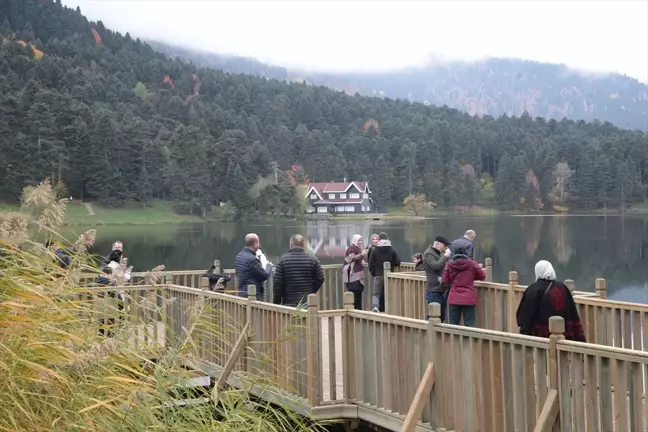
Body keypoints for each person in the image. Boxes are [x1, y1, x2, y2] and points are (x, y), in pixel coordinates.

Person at [516, 260, 586, 341]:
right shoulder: (563, 288)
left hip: (541, 340)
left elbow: (525, 317)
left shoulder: (534, 289)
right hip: (565, 338)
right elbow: (572, 313)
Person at [273, 234, 325, 307]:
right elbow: (321, 277)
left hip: (288, 303)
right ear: (303, 245)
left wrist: (277, 302)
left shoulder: (283, 260)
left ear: (291, 245)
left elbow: (277, 283)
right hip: (307, 303)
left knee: (289, 318)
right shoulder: (313, 259)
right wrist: (311, 291)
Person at [443, 246, 486, 327]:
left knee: (453, 325)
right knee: (470, 324)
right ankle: (469, 340)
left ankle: (454, 339)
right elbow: (482, 276)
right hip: (469, 298)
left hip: (454, 297)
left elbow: (445, 281)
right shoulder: (472, 263)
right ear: (466, 254)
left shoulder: (449, 264)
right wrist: (472, 277)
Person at [368, 232, 401, 313]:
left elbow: (370, 263)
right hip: (389, 275)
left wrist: (373, 272)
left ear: (379, 239)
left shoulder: (375, 250)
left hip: (378, 274)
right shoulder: (391, 249)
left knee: (376, 293)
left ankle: (375, 307)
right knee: (389, 292)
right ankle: (390, 308)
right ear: (387, 238)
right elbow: (398, 262)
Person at [422, 236, 452, 321]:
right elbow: (436, 266)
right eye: (445, 245)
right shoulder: (428, 253)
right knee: (433, 316)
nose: (446, 248)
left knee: (441, 316)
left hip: (440, 289)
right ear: (438, 243)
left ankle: (435, 333)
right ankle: (429, 333)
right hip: (434, 290)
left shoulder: (438, 254)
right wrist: (445, 256)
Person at [234, 233, 271, 300]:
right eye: (258, 242)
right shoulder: (251, 259)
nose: (259, 245)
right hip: (253, 296)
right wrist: (269, 266)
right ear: (254, 244)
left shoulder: (239, 255)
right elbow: (264, 275)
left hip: (242, 294)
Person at [343, 234, 367, 309]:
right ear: (354, 240)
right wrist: (361, 254)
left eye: (361, 240)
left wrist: (362, 260)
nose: (360, 242)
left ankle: (358, 309)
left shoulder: (358, 248)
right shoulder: (351, 248)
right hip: (352, 274)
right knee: (353, 292)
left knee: (359, 292)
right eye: (358, 240)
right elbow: (351, 258)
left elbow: (358, 259)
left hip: (359, 274)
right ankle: (353, 310)